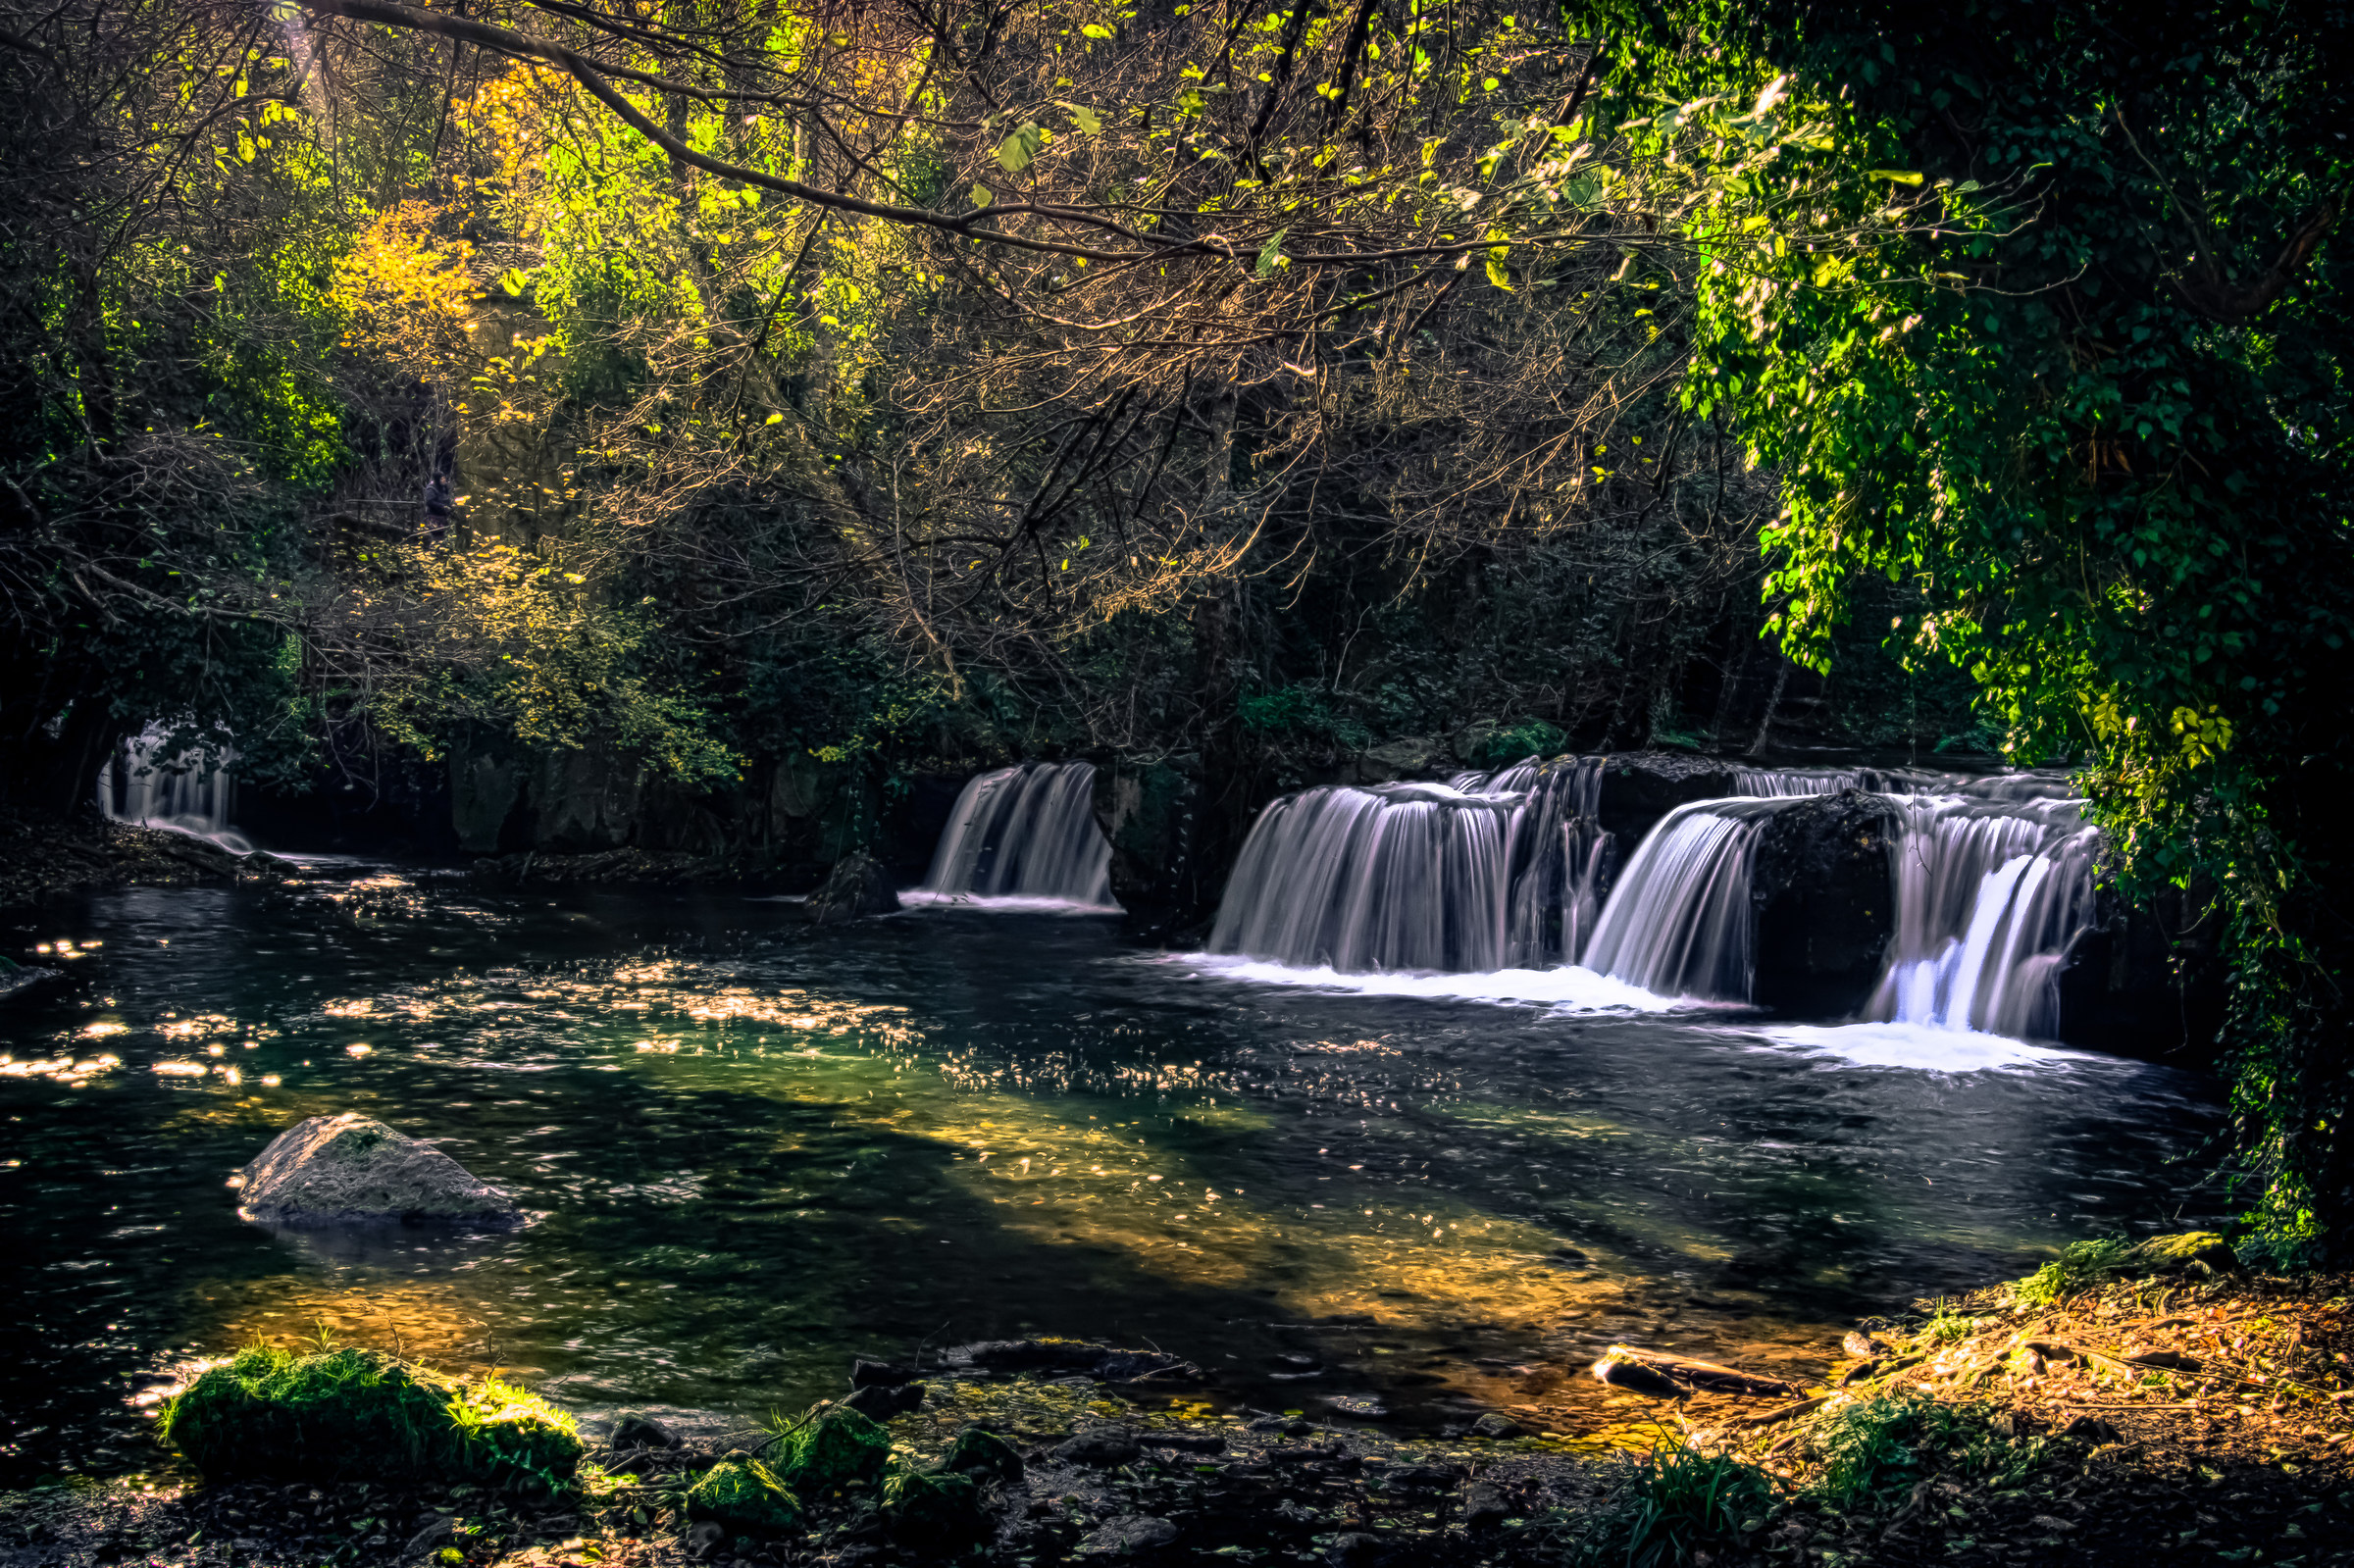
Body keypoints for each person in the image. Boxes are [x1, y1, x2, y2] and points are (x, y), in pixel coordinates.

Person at [421, 471, 455, 540]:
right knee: (435, 534)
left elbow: (446, 497)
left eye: (444, 478)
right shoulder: (431, 488)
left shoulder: (443, 487)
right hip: (434, 515)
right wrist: (442, 506)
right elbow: (430, 502)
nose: (444, 480)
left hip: (443, 515)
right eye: (442, 479)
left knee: (444, 534)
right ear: (437, 479)